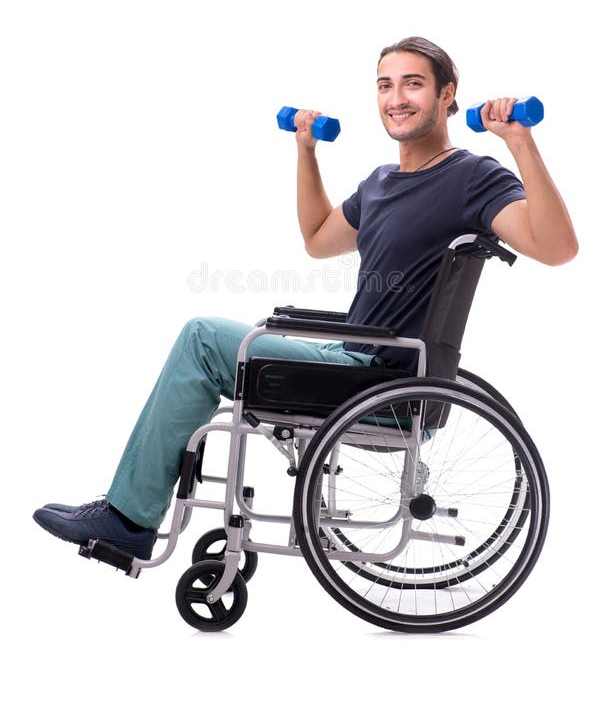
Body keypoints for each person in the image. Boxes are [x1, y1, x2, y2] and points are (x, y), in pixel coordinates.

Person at [33, 36, 578, 560]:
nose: (396, 99)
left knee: (203, 338)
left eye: (413, 84)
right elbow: (319, 239)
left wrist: (519, 142)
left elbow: (557, 248)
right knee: (231, 339)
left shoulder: (472, 177)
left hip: (380, 376)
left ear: (447, 93)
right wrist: (306, 150)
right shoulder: (381, 182)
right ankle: (130, 513)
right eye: (385, 85)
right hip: (353, 360)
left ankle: (128, 520)